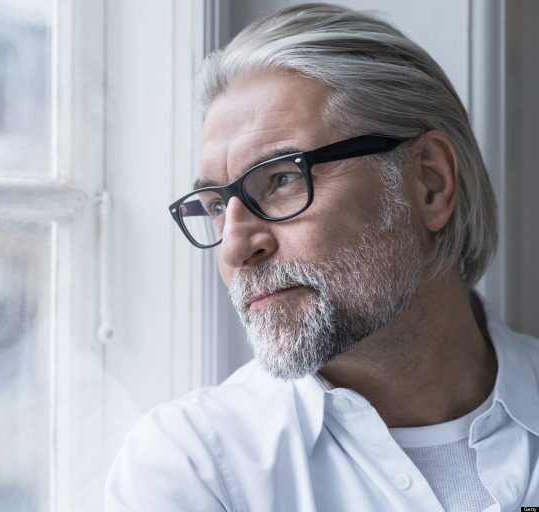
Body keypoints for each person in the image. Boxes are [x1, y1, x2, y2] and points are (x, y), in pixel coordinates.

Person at [105, 3, 539, 511]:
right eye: (217, 207)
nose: (235, 247)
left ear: (430, 182)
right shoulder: (194, 467)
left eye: (282, 179)